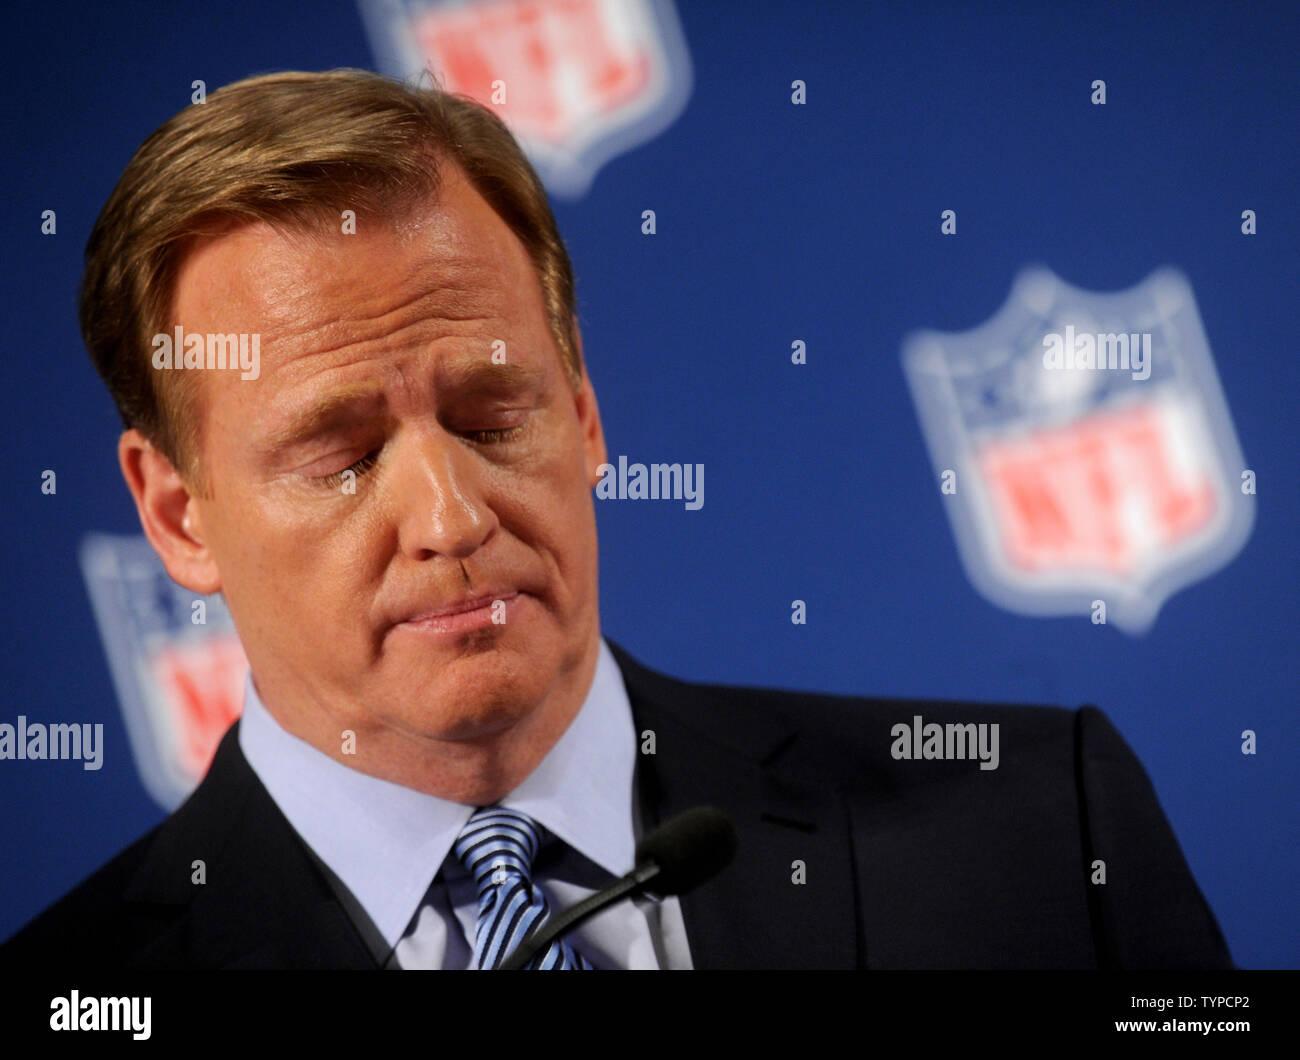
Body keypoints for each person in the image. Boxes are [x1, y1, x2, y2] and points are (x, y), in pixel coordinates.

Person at [1, 69, 1231, 970]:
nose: (447, 515)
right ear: (177, 515)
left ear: (584, 409)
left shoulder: (1040, 831)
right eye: (344, 455)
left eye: (491, 417)